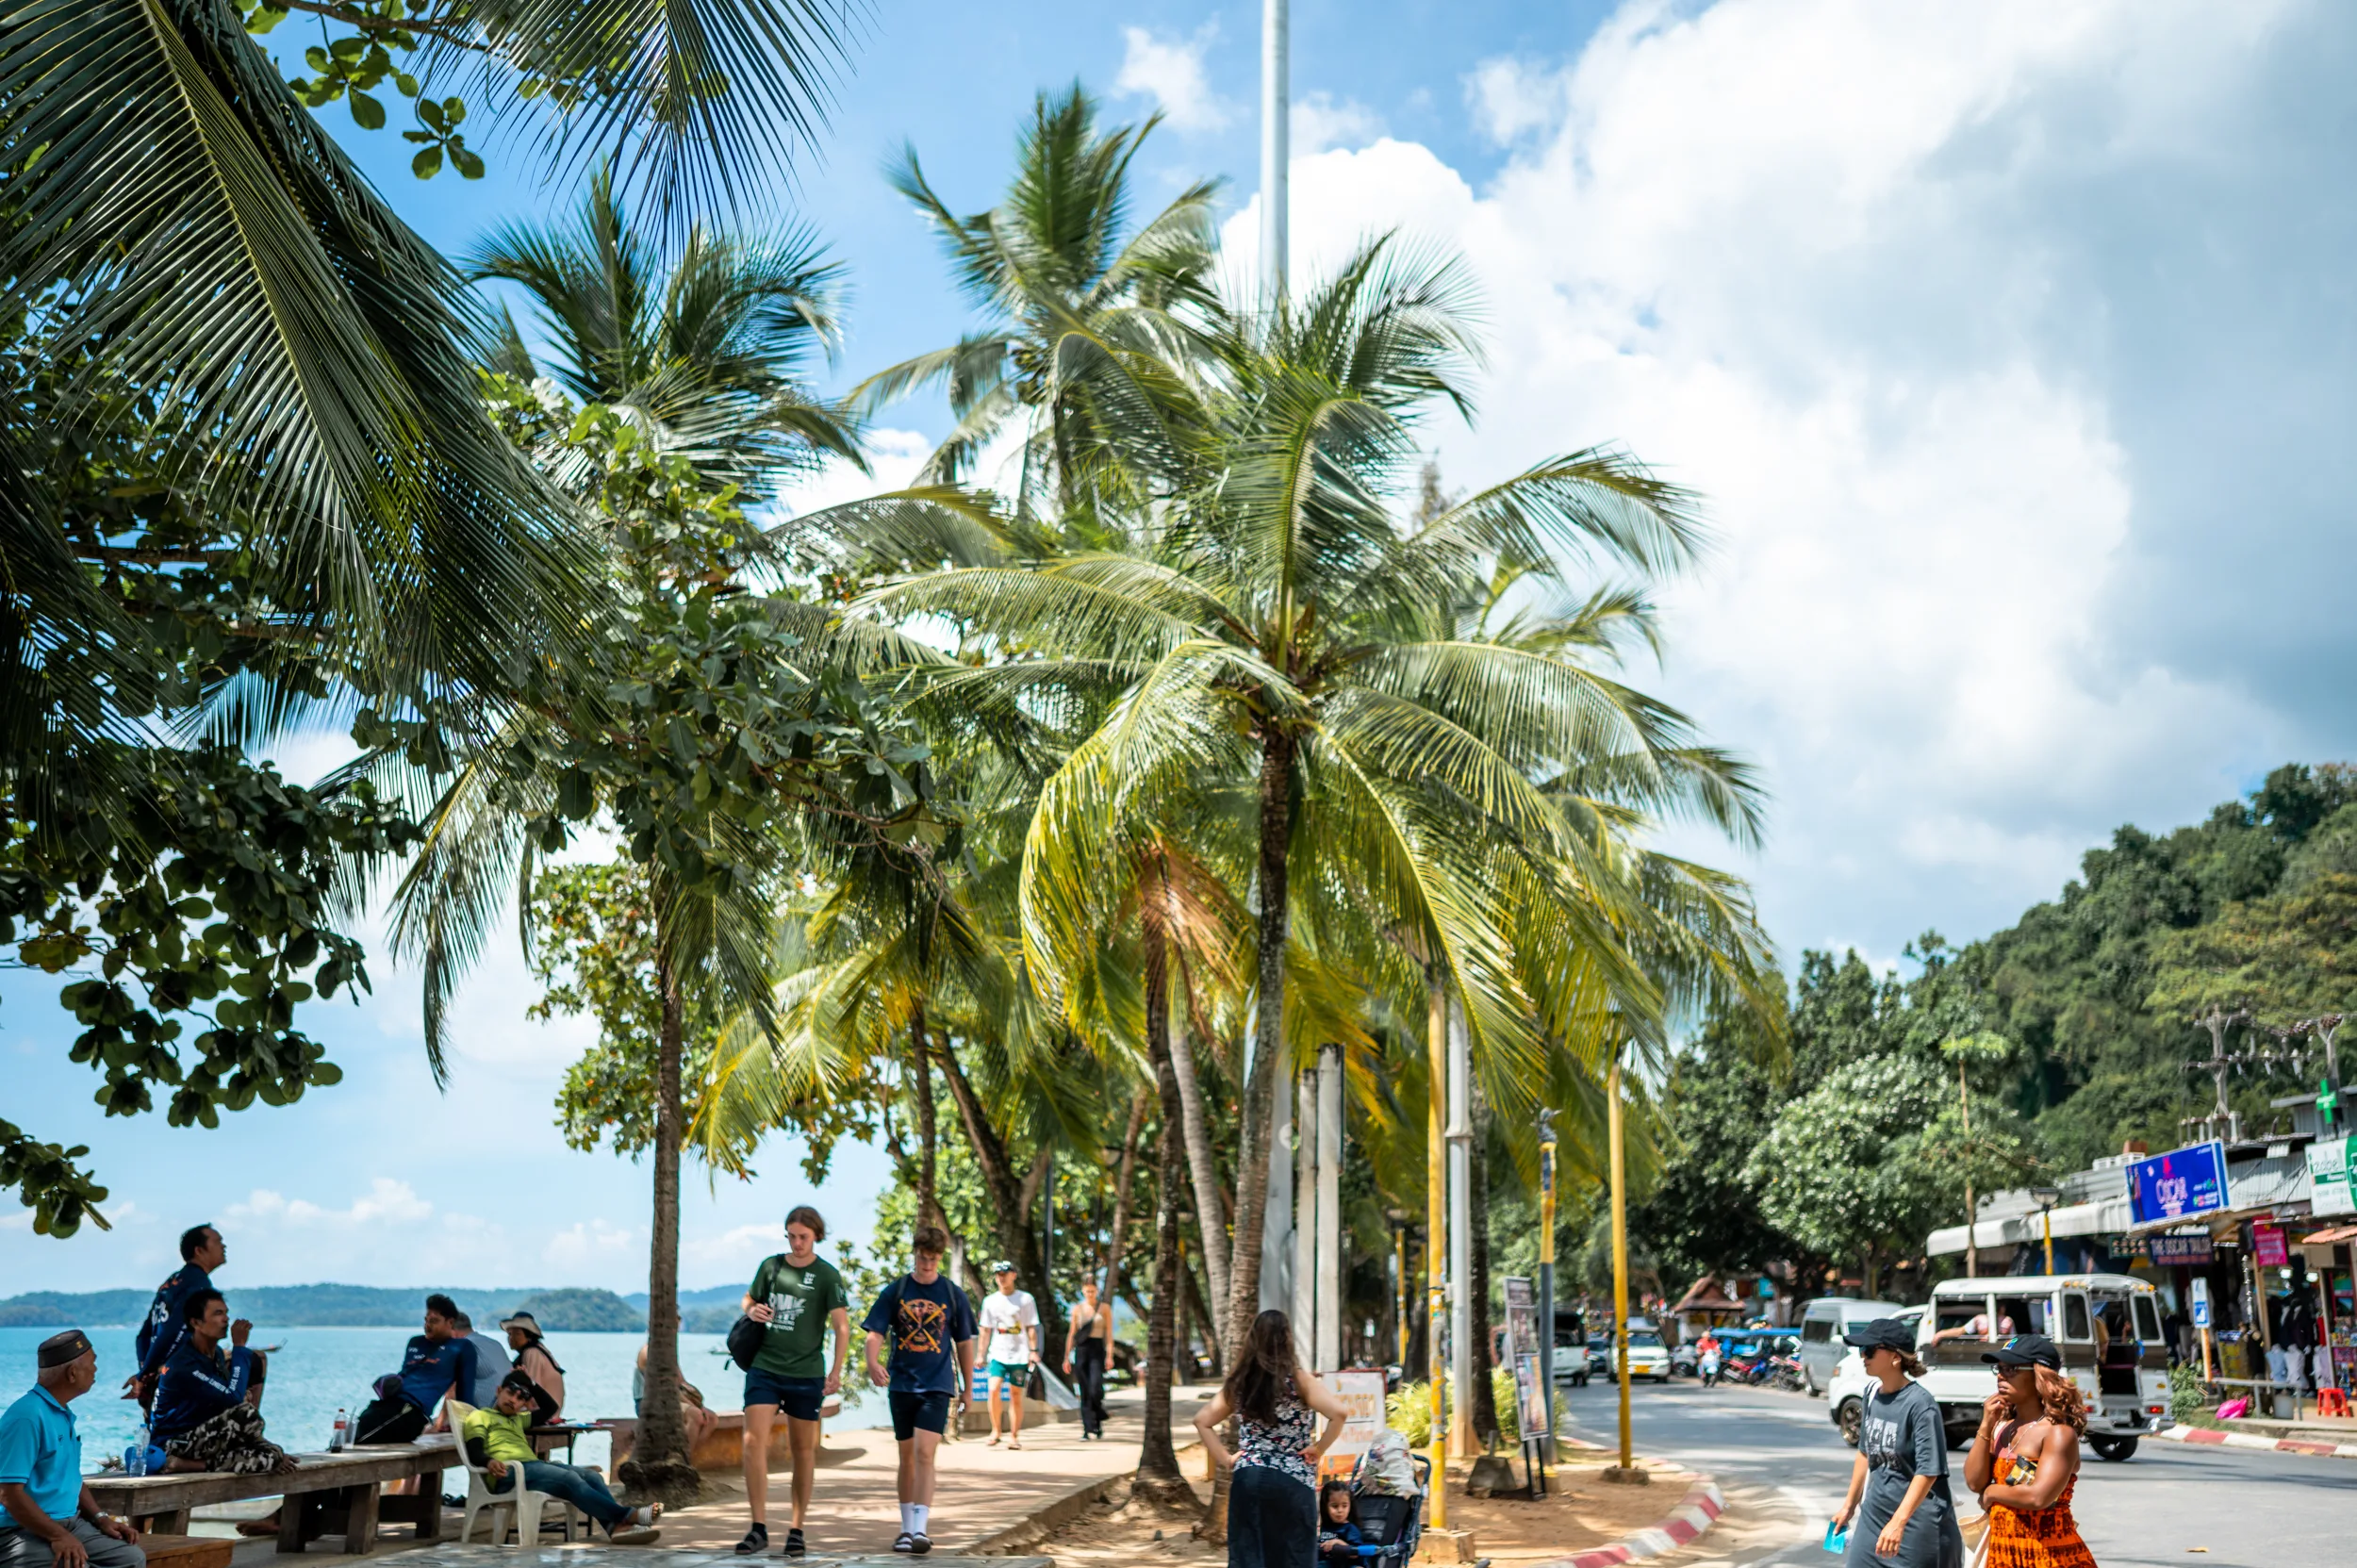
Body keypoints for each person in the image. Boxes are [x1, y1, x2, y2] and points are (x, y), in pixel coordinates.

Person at [736, 1205, 852, 1558]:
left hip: (806, 1373)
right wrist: (751, 1309)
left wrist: (836, 1371)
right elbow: (748, 1298)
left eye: (803, 1237)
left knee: (803, 1451)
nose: (797, 1243)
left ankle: (797, 1530)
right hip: (765, 1368)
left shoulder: (828, 1275)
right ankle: (758, 1527)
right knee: (752, 1441)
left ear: (816, 1235)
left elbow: (841, 1326)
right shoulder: (771, 1267)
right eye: (791, 1236)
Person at [1192, 1311, 1351, 1568]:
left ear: (1253, 1338)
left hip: (1249, 1478)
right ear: (1287, 1338)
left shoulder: (1241, 1381)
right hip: (1292, 1481)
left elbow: (1202, 1421)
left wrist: (1227, 1459)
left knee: (1249, 1558)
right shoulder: (1299, 1380)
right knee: (1294, 1558)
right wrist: (1319, 1448)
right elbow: (1340, 1413)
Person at [862, 1225, 977, 1556]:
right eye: (923, 1258)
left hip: (938, 1385)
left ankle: (920, 1530)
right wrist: (872, 1363)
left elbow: (965, 1343)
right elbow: (875, 1332)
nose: (927, 1264)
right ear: (915, 1254)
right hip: (902, 1384)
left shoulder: (953, 1295)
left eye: (933, 1259)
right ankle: (905, 1528)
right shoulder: (897, 1290)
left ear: (940, 1258)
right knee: (906, 1457)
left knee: (925, 1453)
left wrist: (968, 1389)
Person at [0, 1330, 144, 1568]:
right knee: (74, 1565)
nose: (96, 1369)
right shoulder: (27, 1417)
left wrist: (101, 1518)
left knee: (131, 1558)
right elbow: (8, 1494)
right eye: (92, 1362)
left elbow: (71, 1478)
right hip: (20, 1529)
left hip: (70, 1522)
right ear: (72, 1372)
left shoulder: (61, 1413)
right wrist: (58, 1535)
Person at [463, 1373, 661, 1545]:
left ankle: (615, 1528)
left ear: (525, 1403)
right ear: (498, 1390)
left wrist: (531, 1383)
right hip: (509, 1473)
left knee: (593, 1477)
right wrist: (489, 1462)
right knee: (569, 1479)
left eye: (521, 1397)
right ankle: (628, 1515)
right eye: (510, 1392)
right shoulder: (480, 1416)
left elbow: (550, 1408)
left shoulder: (518, 1419)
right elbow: (474, 1451)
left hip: (533, 1468)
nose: (514, 1400)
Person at [1830, 1319, 1960, 1568]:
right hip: (1874, 1516)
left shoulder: (1920, 1404)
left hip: (1915, 1523)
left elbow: (1928, 1470)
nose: (1862, 1356)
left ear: (1895, 1357)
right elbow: (1865, 1454)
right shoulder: (1870, 1394)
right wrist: (1849, 1506)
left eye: (1869, 1350)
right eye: (1861, 1350)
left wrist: (1899, 1522)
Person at [1963, 1334, 2094, 1568]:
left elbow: (2038, 1497)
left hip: (2050, 1555)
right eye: (1999, 1368)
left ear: (2039, 1374)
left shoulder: (2058, 1433)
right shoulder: (2003, 1428)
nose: (2001, 1376)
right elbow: (1974, 1482)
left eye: (2011, 1368)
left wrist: (1992, 1491)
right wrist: (1986, 1425)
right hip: (2004, 1554)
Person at [152, 1292, 293, 1489]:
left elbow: (226, 1397)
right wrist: (240, 1347)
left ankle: (194, 1466)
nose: (226, 1319)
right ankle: (184, 1463)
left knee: (273, 1455)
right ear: (196, 1323)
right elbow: (234, 1401)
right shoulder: (185, 1364)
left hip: (204, 1438)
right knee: (245, 1413)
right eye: (218, 1313)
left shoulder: (216, 1354)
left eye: (226, 1313)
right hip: (173, 1444)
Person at [354, 1295, 477, 1444]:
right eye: (426, 1320)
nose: (427, 1325)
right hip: (386, 1404)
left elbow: (466, 1395)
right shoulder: (415, 1342)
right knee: (351, 1430)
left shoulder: (462, 1348)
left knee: (362, 1436)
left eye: (434, 1321)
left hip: (411, 1411)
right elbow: (407, 1374)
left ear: (450, 1322)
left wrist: (470, 1435)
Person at [126, 1226, 224, 1411]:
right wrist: (148, 1372)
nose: (224, 1246)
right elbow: (174, 1329)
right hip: (181, 1372)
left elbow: (144, 1335)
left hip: (162, 1370)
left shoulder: (172, 1281)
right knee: (255, 1362)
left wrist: (144, 1369)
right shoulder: (198, 1283)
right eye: (218, 1241)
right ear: (199, 1250)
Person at [977, 1262, 1038, 1449]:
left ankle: (1014, 1435)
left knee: (1015, 1394)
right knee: (993, 1389)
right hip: (998, 1352)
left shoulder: (1025, 1299)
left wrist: (1033, 1351)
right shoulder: (990, 1301)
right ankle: (995, 1430)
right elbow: (985, 1330)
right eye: (998, 1274)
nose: (1001, 1277)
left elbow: (1031, 1328)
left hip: (1019, 1355)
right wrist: (981, 1354)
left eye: (1005, 1273)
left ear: (1014, 1275)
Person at [1061, 1277, 1111, 1441]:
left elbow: (1109, 1335)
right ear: (1083, 1291)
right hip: (1082, 1350)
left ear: (1097, 1291)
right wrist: (1066, 1357)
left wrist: (1109, 1355)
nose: (1090, 1294)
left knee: (1095, 1387)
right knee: (1084, 1390)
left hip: (1097, 1350)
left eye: (1093, 1291)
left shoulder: (1104, 1309)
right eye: (1087, 1291)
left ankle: (1098, 1417)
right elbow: (1072, 1333)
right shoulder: (1077, 1309)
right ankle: (1088, 1428)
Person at [500, 1313, 567, 1422]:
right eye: (510, 1334)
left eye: (517, 1334)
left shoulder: (532, 1353)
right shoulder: (538, 1350)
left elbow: (530, 1387)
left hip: (544, 1414)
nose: (512, 1338)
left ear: (529, 1336)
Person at [453, 1314, 513, 1409]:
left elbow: (452, 1391)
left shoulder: (463, 1348)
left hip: (486, 1413)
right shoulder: (494, 1343)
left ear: (453, 1333)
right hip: (509, 1408)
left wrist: (439, 1422)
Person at [1315, 1481, 1365, 1566]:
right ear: (1325, 1507)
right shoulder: (1325, 1527)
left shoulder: (1350, 1529)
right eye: (1335, 1506)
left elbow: (1356, 1553)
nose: (1340, 1511)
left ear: (1350, 1506)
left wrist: (1339, 1543)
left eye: (1344, 1506)